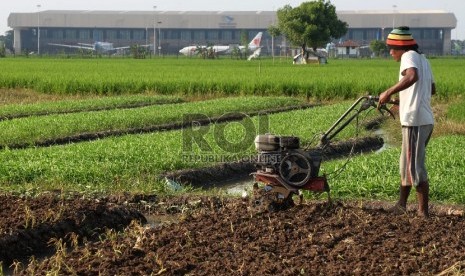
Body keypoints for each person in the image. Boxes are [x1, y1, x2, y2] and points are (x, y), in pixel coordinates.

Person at [378, 26, 435, 217]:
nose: (391, 52)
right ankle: (402, 205)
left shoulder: (408, 56)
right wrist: (399, 101)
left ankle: (422, 212)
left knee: (415, 167)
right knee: (406, 164)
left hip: (415, 121)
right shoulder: (424, 59)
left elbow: (412, 76)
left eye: (392, 48)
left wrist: (388, 92)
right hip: (422, 118)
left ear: (401, 47)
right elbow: (430, 89)